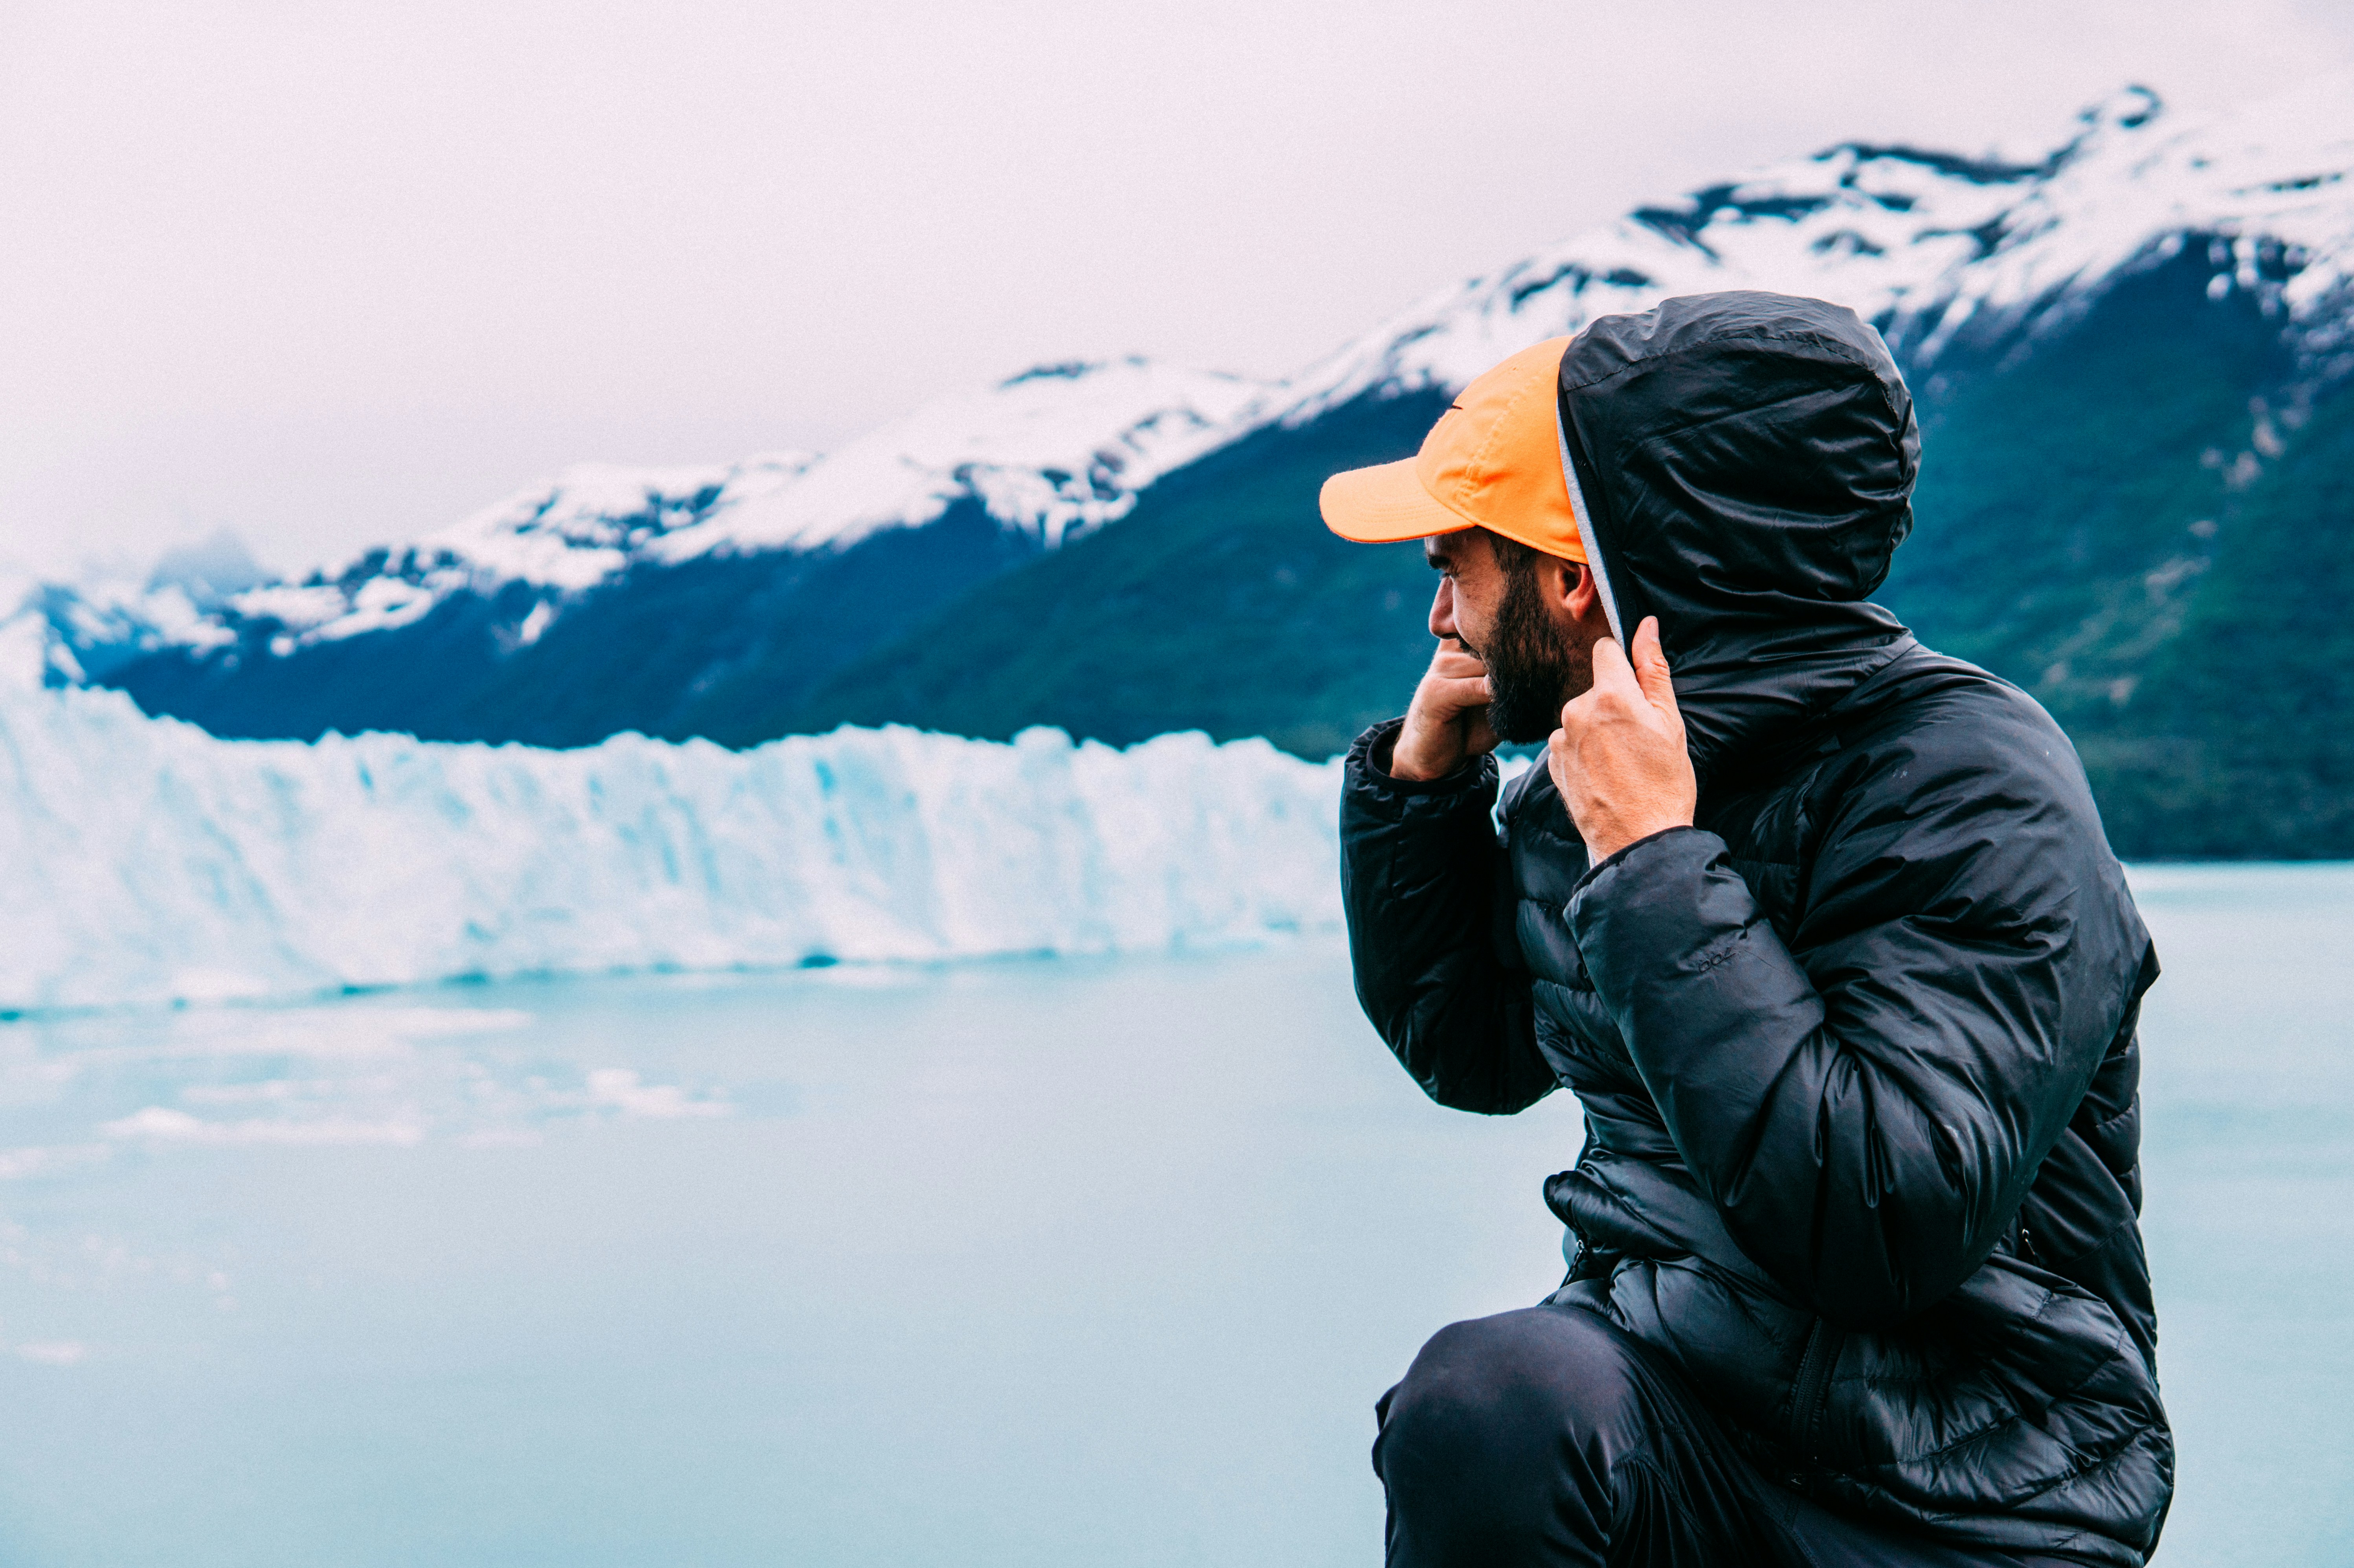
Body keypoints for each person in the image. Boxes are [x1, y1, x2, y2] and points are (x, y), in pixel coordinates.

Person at [1319, 292, 2171, 1567]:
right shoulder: (1592, 776)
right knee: (1492, 1409)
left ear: (1570, 581)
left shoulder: (1970, 784)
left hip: (1959, 1492)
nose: (1440, 619)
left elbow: (1883, 1220)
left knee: (1502, 1399)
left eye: (1455, 566)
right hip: (1679, 1419)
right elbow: (1480, 1053)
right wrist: (1422, 798)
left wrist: (1656, 861)